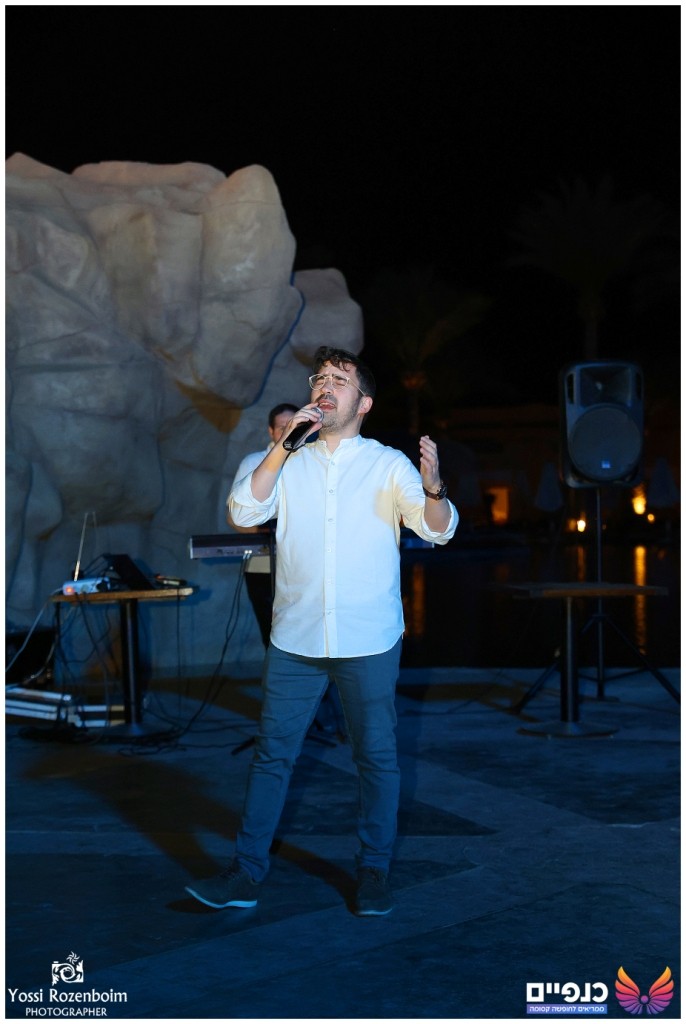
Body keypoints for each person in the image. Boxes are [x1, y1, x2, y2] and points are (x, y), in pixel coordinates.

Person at [186, 346, 458, 916]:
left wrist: (433, 486)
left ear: (364, 403)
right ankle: (244, 874)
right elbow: (243, 512)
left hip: (369, 639)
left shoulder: (388, 465)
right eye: (319, 379)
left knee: (376, 758)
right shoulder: (286, 459)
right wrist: (283, 446)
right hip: (296, 639)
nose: (325, 387)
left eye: (339, 379)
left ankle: (374, 872)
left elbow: (437, 531)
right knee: (271, 756)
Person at [228, 403, 299, 648]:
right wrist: (270, 531)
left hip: (302, 565)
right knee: (272, 634)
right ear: (271, 431)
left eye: (294, 425)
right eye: (282, 427)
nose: (288, 431)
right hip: (262, 567)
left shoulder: (311, 460)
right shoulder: (254, 462)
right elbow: (234, 518)